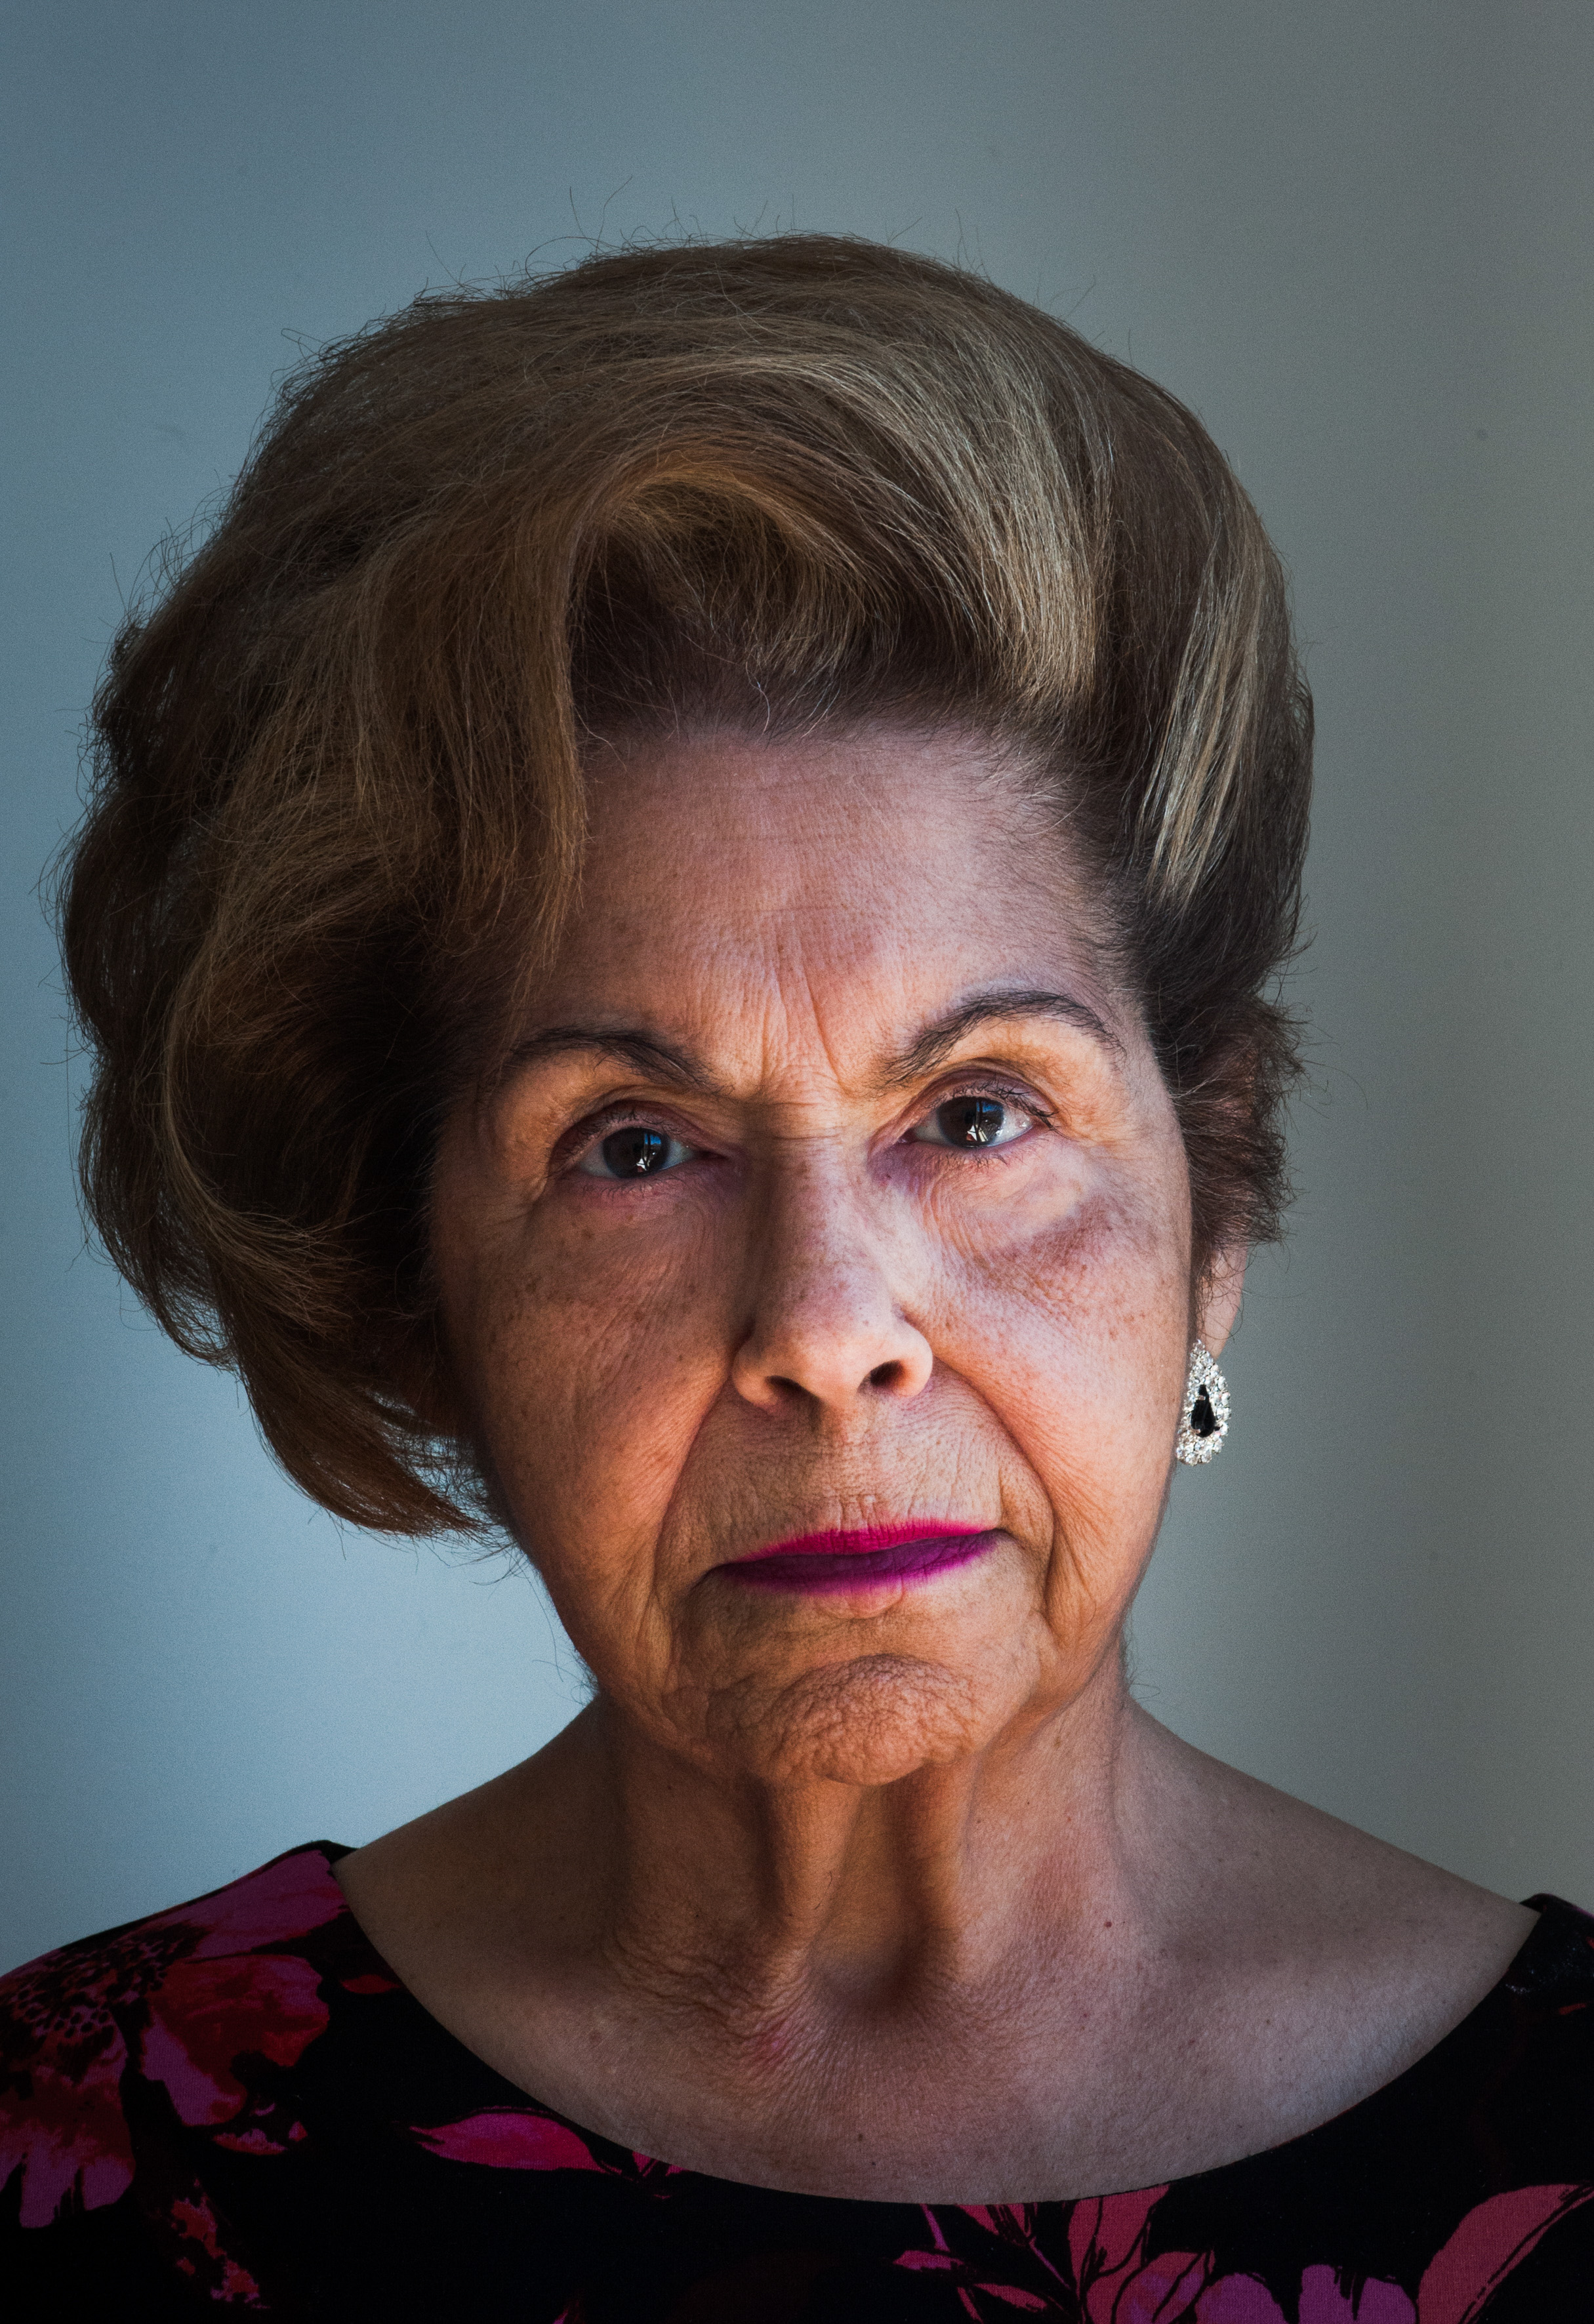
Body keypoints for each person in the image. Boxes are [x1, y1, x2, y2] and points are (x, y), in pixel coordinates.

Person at [3, 235, 1589, 2319]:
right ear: (418, 1297)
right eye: (634, 1147)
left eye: (980, 1113)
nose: (831, 1332)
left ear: (1213, 1218)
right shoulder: (87, 2157)